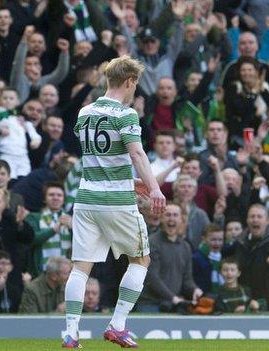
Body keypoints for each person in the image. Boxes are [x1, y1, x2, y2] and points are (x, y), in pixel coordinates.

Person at [62, 56, 165, 349]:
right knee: (140, 258)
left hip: (85, 198)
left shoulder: (84, 113)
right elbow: (135, 154)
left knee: (80, 267)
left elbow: (98, 159)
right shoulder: (126, 114)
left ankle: (71, 333)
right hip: (116, 201)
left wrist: (131, 181)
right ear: (130, 82)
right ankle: (117, 325)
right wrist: (154, 188)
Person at [139, 204, 202, 311]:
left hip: (172, 304)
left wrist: (195, 289)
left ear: (181, 220)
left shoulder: (185, 247)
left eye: (175, 215)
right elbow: (152, 277)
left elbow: (187, 279)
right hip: (150, 304)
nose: (171, 218)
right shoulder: (151, 242)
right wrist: (173, 298)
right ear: (161, 218)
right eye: (168, 215)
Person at [25, 182, 73, 278]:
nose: (55, 198)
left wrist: (72, 228)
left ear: (64, 199)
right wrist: (53, 229)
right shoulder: (34, 217)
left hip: (68, 273)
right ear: (44, 199)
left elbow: (83, 244)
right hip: (42, 273)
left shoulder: (71, 219)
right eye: (51, 195)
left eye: (59, 195)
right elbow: (32, 239)